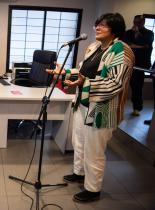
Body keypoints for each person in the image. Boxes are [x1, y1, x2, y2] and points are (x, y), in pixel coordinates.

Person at [47, 13, 134, 202]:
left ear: (115, 29)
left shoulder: (122, 51)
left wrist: (83, 82)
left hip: (102, 109)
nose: (97, 28)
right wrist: (63, 72)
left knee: (94, 150)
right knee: (79, 141)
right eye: (97, 24)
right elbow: (83, 71)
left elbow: (114, 84)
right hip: (83, 104)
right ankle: (79, 172)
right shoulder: (94, 47)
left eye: (103, 25)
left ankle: (93, 189)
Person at [123, 15, 154, 116]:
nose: (136, 24)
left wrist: (137, 35)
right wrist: (141, 46)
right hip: (127, 62)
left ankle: (137, 108)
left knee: (137, 86)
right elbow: (126, 45)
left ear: (143, 22)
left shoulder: (149, 33)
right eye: (135, 22)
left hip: (141, 64)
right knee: (121, 84)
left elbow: (147, 44)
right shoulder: (128, 32)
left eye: (139, 22)